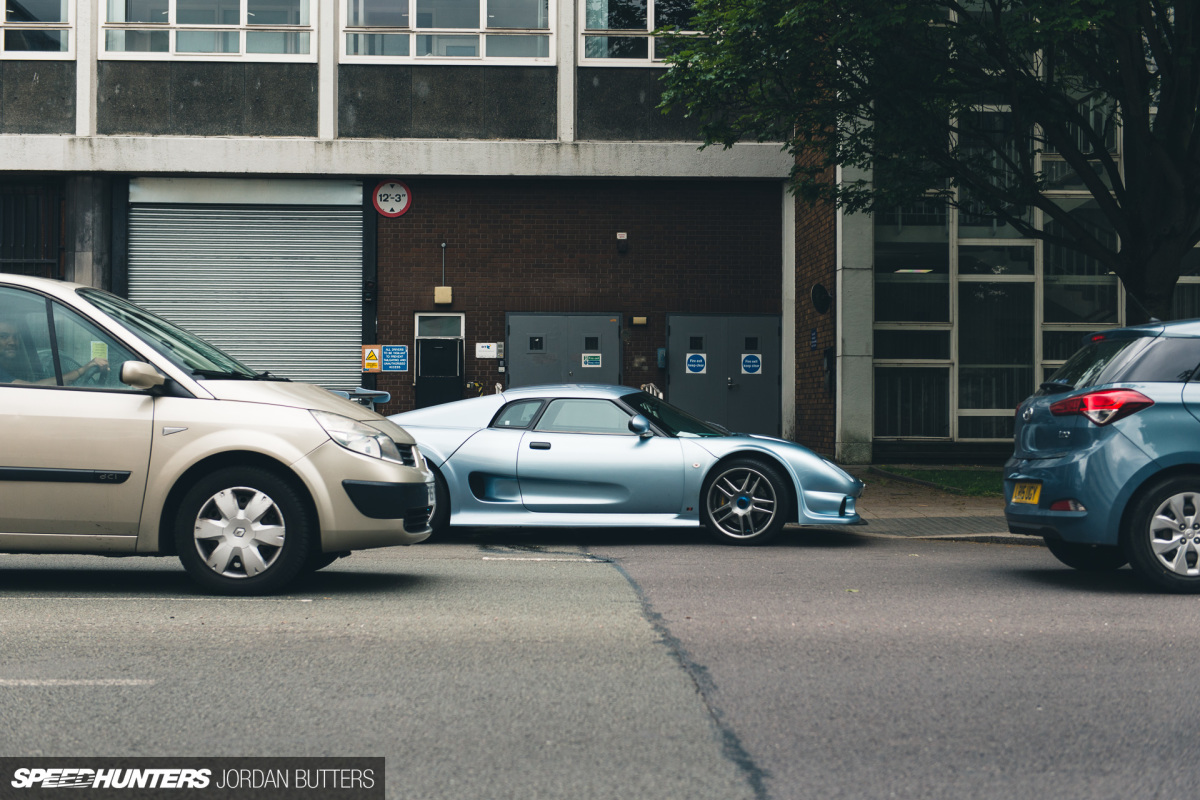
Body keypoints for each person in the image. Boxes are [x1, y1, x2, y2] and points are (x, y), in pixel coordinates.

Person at [0, 319, 109, 385]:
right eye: (4, 336)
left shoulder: (17, 366)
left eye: (15, 337)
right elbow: (31, 387)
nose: (12, 342)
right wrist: (83, 370)